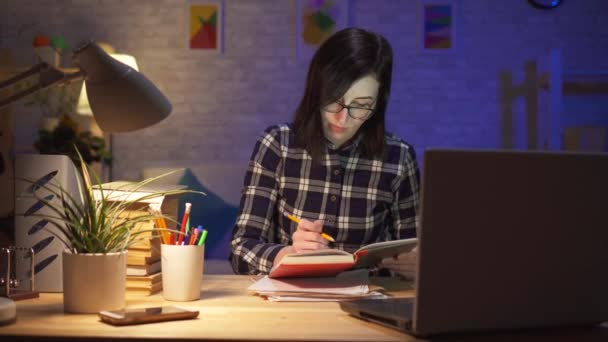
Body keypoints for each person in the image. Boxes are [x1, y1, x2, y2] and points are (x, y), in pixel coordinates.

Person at [229, 27, 419, 278]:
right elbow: (241, 250)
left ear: (378, 103)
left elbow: (413, 251)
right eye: (334, 100)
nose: (342, 118)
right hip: (290, 305)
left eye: (361, 106)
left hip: (368, 302)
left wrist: (414, 265)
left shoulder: (399, 157)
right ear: (317, 89)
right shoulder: (278, 145)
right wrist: (284, 255)